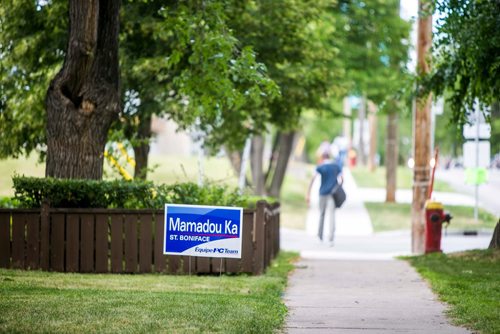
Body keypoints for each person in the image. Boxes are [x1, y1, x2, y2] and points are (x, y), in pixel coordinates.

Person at [306, 151, 343, 246]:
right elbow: (342, 178)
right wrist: (338, 187)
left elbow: (313, 179)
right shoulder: (336, 166)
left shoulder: (321, 166)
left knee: (322, 214)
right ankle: (331, 237)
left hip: (322, 193)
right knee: (332, 215)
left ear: (322, 158)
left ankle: (320, 236)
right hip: (332, 194)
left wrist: (308, 193)